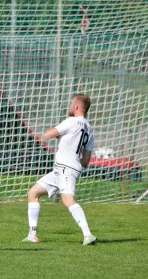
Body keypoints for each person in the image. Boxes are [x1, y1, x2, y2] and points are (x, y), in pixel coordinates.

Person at [22, 94, 97, 246]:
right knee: (33, 193)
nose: (70, 106)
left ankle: (88, 234)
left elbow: (48, 134)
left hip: (65, 169)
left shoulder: (71, 121)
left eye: (72, 104)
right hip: (61, 170)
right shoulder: (89, 129)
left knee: (68, 200)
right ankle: (32, 235)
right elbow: (86, 160)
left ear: (76, 107)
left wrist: (59, 137)